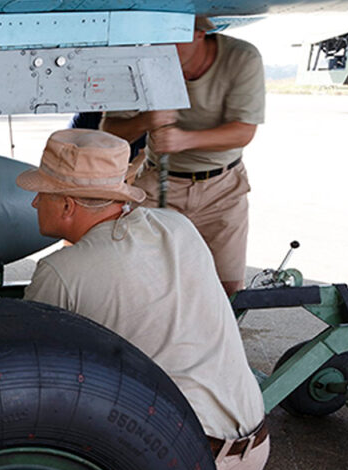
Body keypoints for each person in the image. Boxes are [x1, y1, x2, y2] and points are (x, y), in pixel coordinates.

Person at [0, 129, 267, 470]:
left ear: (66, 205)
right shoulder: (177, 226)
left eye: (42, 193)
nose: (32, 202)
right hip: (254, 449)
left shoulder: (65, 271)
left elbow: (14, 349)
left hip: (187, 469)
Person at [101, 15, 265, 296]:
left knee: (228, 287)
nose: (161, 48)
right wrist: (145, 121)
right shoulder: (143, 61)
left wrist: (184, 140)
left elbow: (243, 133)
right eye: (158, 37)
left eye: (173, 37)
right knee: (138, 277)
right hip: (159, 181)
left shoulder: (242, 59)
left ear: (199, 33)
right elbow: (110, 133)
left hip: (222, 188)